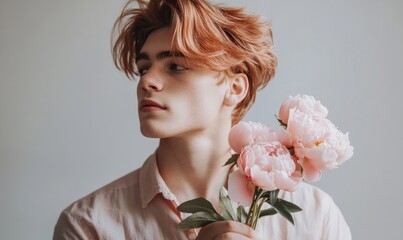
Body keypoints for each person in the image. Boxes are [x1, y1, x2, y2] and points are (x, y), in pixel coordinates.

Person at [53, 0, 351, 239]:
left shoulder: (314, 218)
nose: (147, 82)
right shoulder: (88, 226)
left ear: (235, 88)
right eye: (144, 68)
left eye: (176, 66)